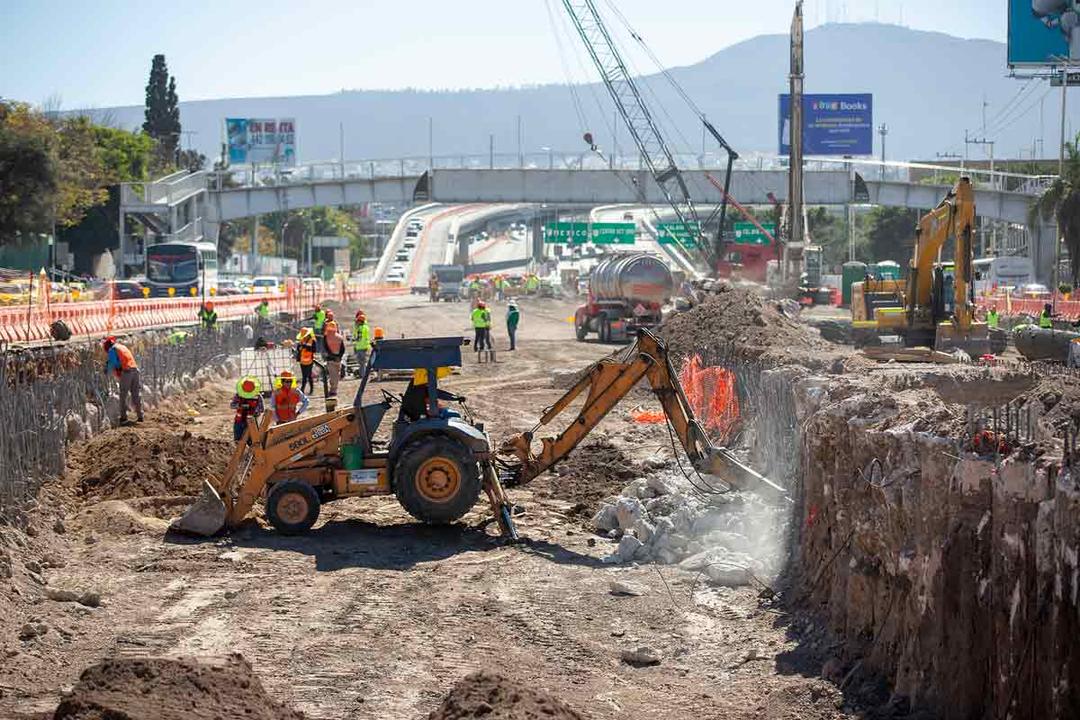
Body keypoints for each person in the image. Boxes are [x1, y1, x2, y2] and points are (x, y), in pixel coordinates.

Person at [103, 336, 143, 424]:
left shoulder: (112, 350)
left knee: (123, 395)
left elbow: (114, 363)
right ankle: (140, 416)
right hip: (135, 370)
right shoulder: (122, 347)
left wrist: (106, 369)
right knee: (135, 394)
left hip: (127, 372)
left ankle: (123, 418)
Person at [231, 376, 264, 442]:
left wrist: (256, 412)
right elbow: (232, 405)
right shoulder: (238, 395)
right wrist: (240, 406)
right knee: (238, 441)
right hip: (239, 422)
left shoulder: (258, 396)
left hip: (252, 423)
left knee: (253, 442)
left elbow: (262, 409)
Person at [322, 319, 346, 397]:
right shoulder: (340, 337)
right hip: (338, 359)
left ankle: (333, 390)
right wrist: (339, 357)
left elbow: (326, 348)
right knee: (336, 375)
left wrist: (332, 356)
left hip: (331, 358)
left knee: (333, 375)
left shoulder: (326, 337)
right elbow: (343, 349)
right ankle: (334, 389)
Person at [296, 327, 318, 394]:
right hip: (302, 361)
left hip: (309, 360)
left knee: (308, 375)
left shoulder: (312, 340)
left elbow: (314, 350)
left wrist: (305, 347)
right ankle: (302, 390)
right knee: (304, 376)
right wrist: (300, 348)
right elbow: (298, 349)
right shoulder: (301, 340)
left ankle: (310, 390)